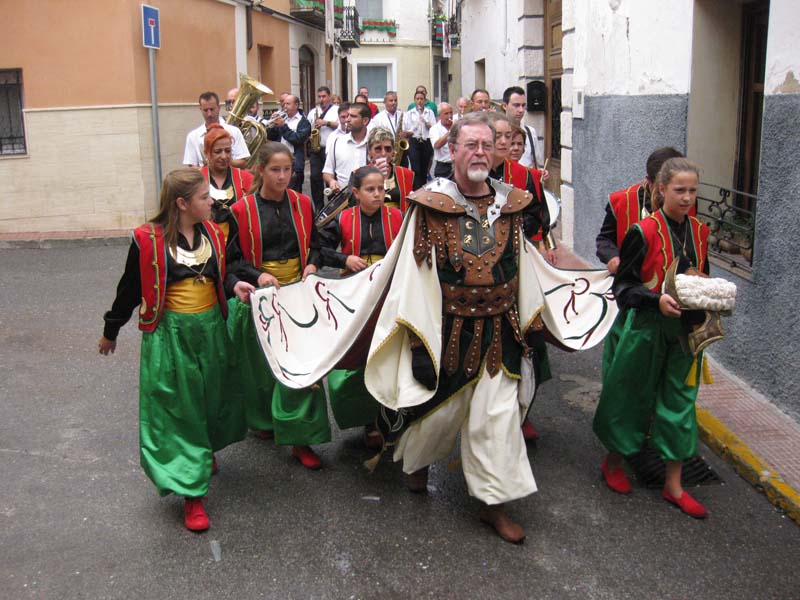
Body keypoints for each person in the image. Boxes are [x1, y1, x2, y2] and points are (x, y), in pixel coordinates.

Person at [370, 112, 543, 543]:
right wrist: (417, 345)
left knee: (498, 420)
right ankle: (416, 463)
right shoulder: (430, 205)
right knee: (436, 415)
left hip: (500, 332)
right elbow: (413, 280)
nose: (480, 153)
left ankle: (493, 504)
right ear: (453, 150)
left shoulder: (513, 204)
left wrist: (532, 324)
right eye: (471, 145)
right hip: (447, 333)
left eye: (487, 145)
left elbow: (523, 266)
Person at [99, 168, 252, 531]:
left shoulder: (213, 232)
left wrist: (235, 286)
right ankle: (191, 492)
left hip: (211, 329)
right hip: (171, 335)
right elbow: (129, 289)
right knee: (180, 411)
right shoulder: (146, 240)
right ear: (182, 204)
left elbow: (222, 275)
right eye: (204, 197)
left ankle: (201, 450)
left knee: (211, 399)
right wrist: (111, 330)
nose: (212, 201)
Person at [593, 157, 711, 519]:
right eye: (680, 190)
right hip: (645, 327)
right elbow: (624, 288)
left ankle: (674, 485)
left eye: (692, 191)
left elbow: (702, 278)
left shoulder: (701, 232)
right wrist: (655, 300)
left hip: (685, 333)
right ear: (661, 189)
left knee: (680, 403)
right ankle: (614, 461)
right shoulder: (642, 232)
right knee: (630, 397)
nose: (687, 197)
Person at [228, 142, 330, 469]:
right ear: (260, 170)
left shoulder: (303, 204)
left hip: (298, 293)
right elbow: (232, 261)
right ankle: (265, 419)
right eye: (275, 170)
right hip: (262, 296)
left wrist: (312, 264)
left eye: (287, 169)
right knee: (261, 367)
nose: (283, 176)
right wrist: (258, 275)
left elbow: (317, 246)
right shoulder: (240, 210)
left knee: (303, 368)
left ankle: (301, 438)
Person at [320, 165, 403, 447]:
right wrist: (344, 259)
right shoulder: (343, 218)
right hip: (355, 298)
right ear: (355, 193)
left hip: (389, 296)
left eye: (381, 188)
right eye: (370, 189)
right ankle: (368, 420)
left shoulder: (398, 217)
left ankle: (391, 417)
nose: (377, 194)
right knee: (358, 360)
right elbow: (320, 250)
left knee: (389, 357)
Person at [595, 147, 684, 379]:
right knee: (624, 370)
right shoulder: (621, 201)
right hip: (630, 299)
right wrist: (613, 258)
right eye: (662, 187)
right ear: (649, 181)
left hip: (667, 301)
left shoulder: (684, 203)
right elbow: (604, 239)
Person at [200, 124, 254, 242]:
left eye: (228, 151)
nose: (224, 156)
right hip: (206, 242)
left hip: (240, 244)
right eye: (218, 152)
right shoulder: (196, 180)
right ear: (207, 153)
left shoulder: (247, 179)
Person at [183, 92, 250, 169]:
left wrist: (220, 161)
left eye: (212, 109)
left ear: (219, 108)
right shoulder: (192, 136)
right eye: (205, 110)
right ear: (200, 110)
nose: (209, 114)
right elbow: (192, 166)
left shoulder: (234, 131)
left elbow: (243, 162)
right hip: (204, 176)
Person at [266, 94, 311, 192]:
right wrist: (272, 124)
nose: (285, 106)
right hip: (278, 158)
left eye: (288, 104)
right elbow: (270, 137)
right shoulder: (282, 118)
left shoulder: (304, 122)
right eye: (284, 104)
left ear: (296, 105)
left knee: (293, 192)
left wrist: (283, 126)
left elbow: (298, 139)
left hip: (294, 161)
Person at [365, 127, 415, 212]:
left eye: (388, 149)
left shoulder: (406, 174)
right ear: (369, 151)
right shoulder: (359, 174)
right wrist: (372, 176)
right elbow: (354, 206)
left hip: (399, 219)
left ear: (393, 151)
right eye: (378, 149)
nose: (383, 153)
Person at [323, 103, 371, 191]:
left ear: (365, 121)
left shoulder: (374, 143)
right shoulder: (337, 142)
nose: (347, 119)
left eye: (353, 116)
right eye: (348, 115)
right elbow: (327, 171)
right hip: (344, 196)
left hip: (369, 196)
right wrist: (331, 181)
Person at [307, 86, 341, 210]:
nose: (321, 99)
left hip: (330, 149)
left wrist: (326, 123)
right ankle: (318, 207)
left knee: (330, 177)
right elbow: (308, 128)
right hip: (316, 149)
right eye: (319, 97)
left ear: (329, 96)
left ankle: (332, 206)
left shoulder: (336, 110)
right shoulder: (313, 112)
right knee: (315, 177)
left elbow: (341, 125)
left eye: (324, 96)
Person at [403, 91, 436, 190]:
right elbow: (406, 129)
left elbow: (434, 128)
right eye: (417, 99)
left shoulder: (429, 112)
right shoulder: (409, 113)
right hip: (414, 141)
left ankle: (423, 190)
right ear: (414, 100)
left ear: (424, 100)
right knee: (416, 169)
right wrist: (413, 128)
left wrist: (426, 122)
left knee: (424, 169)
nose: (419, 101)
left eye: (421, 99)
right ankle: (416, 190)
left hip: (426, 141)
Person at [502, 86, 541, 169]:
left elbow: (536, 163)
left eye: (523, 105)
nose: (521, 110)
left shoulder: (530, 132)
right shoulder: (495, 132)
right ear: (505, 106)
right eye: (516, 105)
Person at [430, 102, 454, 178]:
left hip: (457, 165)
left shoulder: (457, 125)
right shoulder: (434, 129)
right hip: (443, 166)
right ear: (439, 116)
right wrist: (451, 131)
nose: (450, 116)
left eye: (451, 113)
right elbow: (437, 145)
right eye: (446, 114)